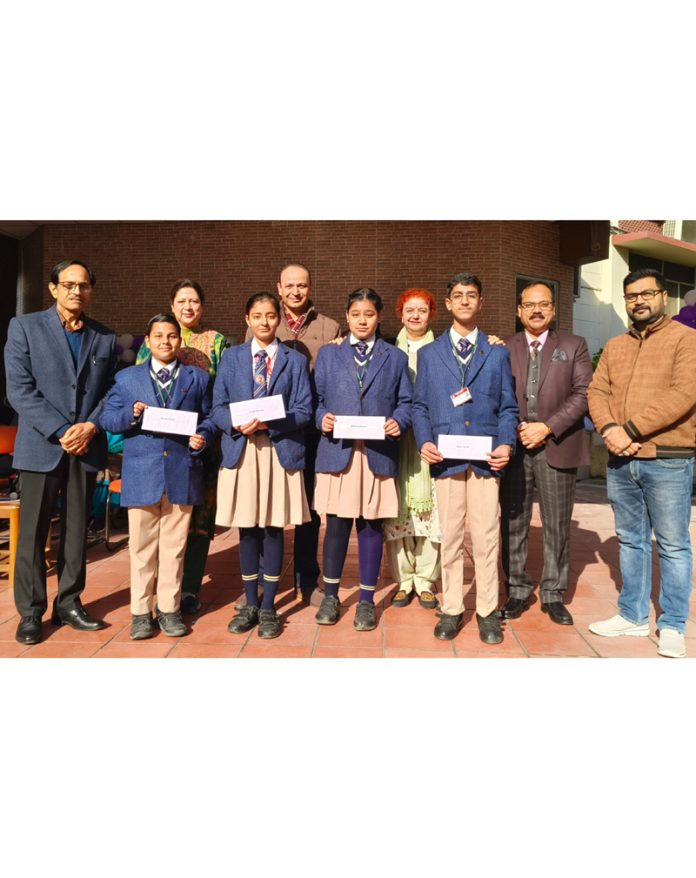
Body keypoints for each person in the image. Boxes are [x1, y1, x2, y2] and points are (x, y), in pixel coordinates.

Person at [4, 258, 117, 644]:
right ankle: (31, 611)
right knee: (33, 534)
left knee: (76, 532)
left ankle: (68, 602)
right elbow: (19, 389)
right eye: (68, 284)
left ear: (91, 291)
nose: (76, 291)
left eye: (83, 285)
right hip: (41, 445)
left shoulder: (104, 337)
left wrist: (90, 426)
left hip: (86, 445)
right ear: (53, 288)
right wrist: (62, 429)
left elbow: (111, 392)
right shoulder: (24, 327)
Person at [587, 268, 696, 658]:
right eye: (632, 296)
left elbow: (684, 394)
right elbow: (596, 391)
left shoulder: (687, 340)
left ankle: (673, 624)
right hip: (620, 460)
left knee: (673, 545)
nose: (639, 301)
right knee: (631, 540)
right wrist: (609, 429)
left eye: (647, 294)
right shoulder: (615, 345)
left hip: (668, 459)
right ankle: (632, 615)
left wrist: (629, 430)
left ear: (664, 296)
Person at [412, 272, 518, 644]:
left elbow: (508, 407)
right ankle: (453, 607)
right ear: (447, 303)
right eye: (457, 295)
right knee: (451, 535)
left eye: (471, 295)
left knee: (486, 535)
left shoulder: (497, 353)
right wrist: (423, 441)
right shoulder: (429, 355)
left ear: (480, 302)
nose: (464, 301)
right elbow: (420, 406)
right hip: (446, 459)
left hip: (487, 458)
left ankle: (487, 611)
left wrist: (506, 444)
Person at [99, 314, 215, 639]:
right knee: (141, 546)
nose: (166, 341)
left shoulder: (197, 378)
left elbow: (209, 418)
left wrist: (203, 436)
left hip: (181, 470)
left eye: (172, 336)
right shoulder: (127, 379)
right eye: (159, 336)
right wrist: (130, 414)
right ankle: (140, 612)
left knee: (175, 547)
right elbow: (108, 418)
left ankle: (169, 609)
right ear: (148, 341)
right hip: (142, 473)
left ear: (180, 340)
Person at [312, 288, 412, 632]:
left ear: (379, 317)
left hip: (376, 454)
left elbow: (406, 402)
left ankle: (367, 600)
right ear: (347, 316)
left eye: (369, 314)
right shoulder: (329, 354)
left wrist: (398, 421)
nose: (362, 320)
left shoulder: (394, 357)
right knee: (336, 526)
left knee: (370, 527)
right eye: (356, 314)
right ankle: (330, 596)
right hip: (338, 451)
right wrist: (321, 418)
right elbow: (316, 399)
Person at [213, 292, 312, 639]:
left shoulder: (294, 360)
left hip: (277, 449)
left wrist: (273, 422)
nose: (264, 322)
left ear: (278, 319)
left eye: (270, 315)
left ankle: (269, 606)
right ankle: (251, 603)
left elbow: (305, 410)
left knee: (272, 527)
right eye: (257, 316)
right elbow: (217, 407)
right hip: (241, 450)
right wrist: (235, 423)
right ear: (247, 320)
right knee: (247, 527)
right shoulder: (232, 358)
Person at [241, 262, 340, 606]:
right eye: (289, 285)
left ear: (310, 287)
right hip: (266, 432)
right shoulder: (264, 319)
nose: (296, 291)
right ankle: (260, 581)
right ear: (279, 288)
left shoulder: (329, 326)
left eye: (302, 285)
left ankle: (306, 578)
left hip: (309, 430)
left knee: (307, 508)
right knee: (263, 507)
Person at [500, 281, 593, 625]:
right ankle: (517, 589)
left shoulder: (573, 345)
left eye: (543, 304)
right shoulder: (503, 347)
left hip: (557, 444)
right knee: (513, 522)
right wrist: (517, 429)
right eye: (529, 304)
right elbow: (496, 393)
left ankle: (553, 593)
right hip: (515, 447)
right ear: (519, 310)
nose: (536, 310)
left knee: (557, 525)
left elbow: (583, 393)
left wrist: (547, 427)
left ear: (553, 309)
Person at [137, 279, 227, 614]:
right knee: (161, 518)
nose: (188, 307)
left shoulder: (216, 341)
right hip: (160, 445)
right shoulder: (155, 338)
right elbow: (139, 386)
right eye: (182, 301)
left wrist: (205, 432)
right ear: (172, 305)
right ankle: (159, 590)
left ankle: (189, 588)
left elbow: (221, 392)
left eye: (194, 301)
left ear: (202, 306)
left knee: (199, 519)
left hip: (201, 444)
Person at [383, 288, 442, 610]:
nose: (415, 315)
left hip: (431, 440)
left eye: (422, 310)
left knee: (432, 512)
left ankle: (426, 580)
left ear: (432, 314)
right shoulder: (387, 350)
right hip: (396, 440)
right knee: (397, 509)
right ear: (400, 314)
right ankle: (404, 580)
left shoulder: (443, 349)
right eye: (409, 310)